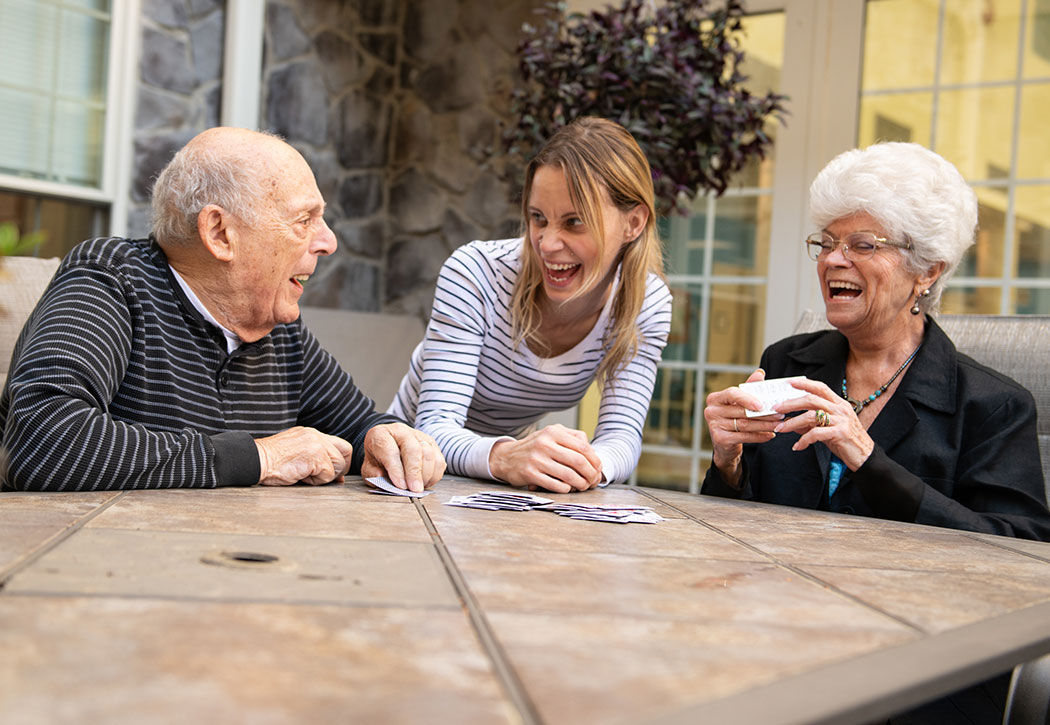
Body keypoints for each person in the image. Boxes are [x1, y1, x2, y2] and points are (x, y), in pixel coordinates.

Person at [0, 127, 444, 492]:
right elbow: (44, 439)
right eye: (304, 220)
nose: (327, 241)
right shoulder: (112, 279)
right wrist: (260, 457)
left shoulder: (277, 328)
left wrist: (389, 438)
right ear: (220, 233)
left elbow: (359, 423)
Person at [702, 141, 1050, 543]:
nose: (833, 259)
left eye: (863, 245)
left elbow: (1020, 546)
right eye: (827, 243)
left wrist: (867, 459)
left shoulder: (994, 407)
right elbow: (732, 526)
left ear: (927, 272)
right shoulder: (786, 361)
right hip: (780, 598)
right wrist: (728, 464)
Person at [388, 117, 671, 492]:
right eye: (538, 218)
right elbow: (433, 428)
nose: (548, 243)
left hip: (503, 481)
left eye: (574, 223)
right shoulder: (475, 273)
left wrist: (580, 465)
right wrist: (508, 457)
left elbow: (622, 438)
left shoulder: (645, 304)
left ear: (633, 223)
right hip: (408, 469)